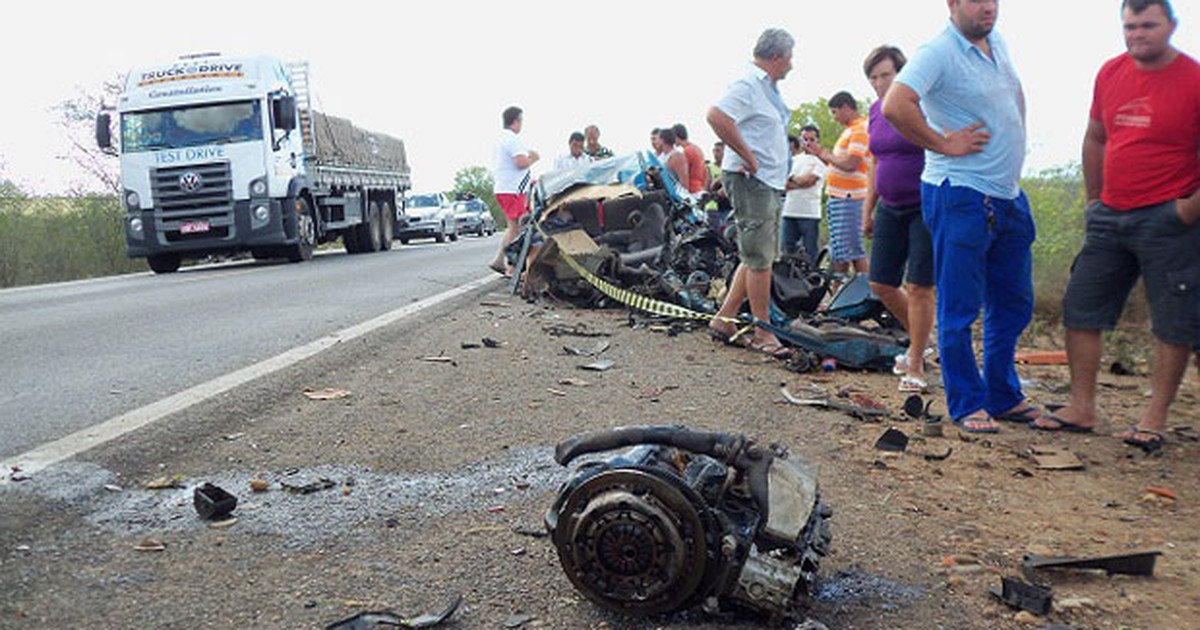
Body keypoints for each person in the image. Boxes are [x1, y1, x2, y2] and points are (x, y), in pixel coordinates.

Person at [1030, 0, 1200, 453]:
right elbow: (1096, 136)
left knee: (1173, 322)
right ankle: (1081, 407)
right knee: (1081, 308)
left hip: (1169, 217)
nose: (1138, 34)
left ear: (1171, 25)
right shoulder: (1109, 72)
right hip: (1110, 213)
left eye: (1148, 25)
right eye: (1130, 26)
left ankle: (1154, 417)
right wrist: (1092, 199)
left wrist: (1189, 209)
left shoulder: (1194, 79)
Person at [883, 0, 1041, 434]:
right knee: (959, 304)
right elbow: (897, 103)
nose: (987, 6)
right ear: (952, 4)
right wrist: (940, 142)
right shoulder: (938, 51)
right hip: (961, 194)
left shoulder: (997, 43)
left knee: (1012, 302)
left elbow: (1014, 94)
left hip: (1006, 194)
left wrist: (1015, 144)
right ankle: (967, 401)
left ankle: (1003, 395)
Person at [707, 28, 794, 357]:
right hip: (751, 180)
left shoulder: (766, 89)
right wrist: (748, 155)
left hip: (767, 181)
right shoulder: (747, 84)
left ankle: (725, 318)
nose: (792, 64)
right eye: (790, 57)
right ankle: (763, 332)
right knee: (759, 258)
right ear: (777, 56)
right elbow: (716, 115)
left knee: (758, 255)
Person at [862, 45, 935, 394]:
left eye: (885, 75)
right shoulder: (876, 112)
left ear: (901, 73)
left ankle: (917, 361)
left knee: (920, 285)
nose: (879, 83)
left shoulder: (920, 105)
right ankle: (922, 339)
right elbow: (875, 161)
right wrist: (867, 209)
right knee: (881, 284)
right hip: (889, 206)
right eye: (873, 77)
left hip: (924, 204)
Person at [806, 91, 870, 277]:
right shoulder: (850, 129)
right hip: (841, 197)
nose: (834, 117)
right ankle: (841, 290)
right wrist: (821, 153)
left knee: (852, 251)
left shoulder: (860, 129)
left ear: (845, 107)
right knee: (840, 250)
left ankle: (867, 294)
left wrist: (826, 155)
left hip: (850, 197)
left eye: (834, 112)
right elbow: (839, 164)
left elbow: (851, 164)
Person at [490, 106, 539, 277]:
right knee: (519, 230)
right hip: (514, 190)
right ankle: (512, 267)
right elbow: (520, 162)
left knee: (512, 227)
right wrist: (533, 158)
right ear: (516, 121)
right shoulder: (512, 139)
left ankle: (499, 259)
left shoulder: (500, 139)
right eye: (521, 121)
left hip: (504, 189)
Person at [780, 127, 827, 264]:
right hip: (789, 211)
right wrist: (799, 182)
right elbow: (783, 184)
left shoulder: (821, 161)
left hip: (809, 213)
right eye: (805, 139)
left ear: (817, 140)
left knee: (810, 252)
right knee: (787, 250)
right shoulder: (793, 160)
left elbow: (810, 181)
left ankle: (812, 280)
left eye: (812, 139)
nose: (808, 142)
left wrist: (793, 180)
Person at [672, 123, 710, 196]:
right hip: (699, 188)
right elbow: (706, 171)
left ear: (676, 137)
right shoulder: (697, 149)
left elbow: (683, 173)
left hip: (691, 190)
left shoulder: (686, 152)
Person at [650, 127, 690, 195]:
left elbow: (684, 182)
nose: (655, 142)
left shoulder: (677, 156)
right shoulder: (660, 158)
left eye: (657, 139)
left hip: (677, 197)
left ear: (663, 140)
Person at [704, 141, 732, 229]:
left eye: (718, 151)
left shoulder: (729, 168)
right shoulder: (709, 167)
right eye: (714, 151)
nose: (715, 154)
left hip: (728, 206)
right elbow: (707, 187)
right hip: (713, 206)